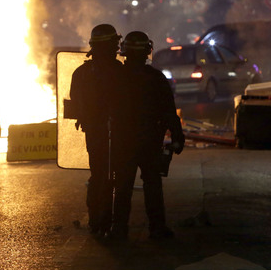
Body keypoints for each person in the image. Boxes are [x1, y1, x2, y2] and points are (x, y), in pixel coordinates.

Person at [110, 30, 185, 241]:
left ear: (124, 52)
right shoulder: (156, 78)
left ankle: (118, 230)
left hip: (123, 141)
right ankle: (157, 228)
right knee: (152, 184)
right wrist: (178, 136)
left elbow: (102, 109)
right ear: (147, 52)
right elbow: (169, 111)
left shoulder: (115, 78)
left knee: (122, 186)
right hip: (150, 141)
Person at [69, 24, 124, 237]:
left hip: (96, 132)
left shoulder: (82, 73)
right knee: (115, 177)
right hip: (113, 132)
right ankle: (111, 223)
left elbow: (76, 105)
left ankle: (97, 221)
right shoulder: (120, 71)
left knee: (99, 174)